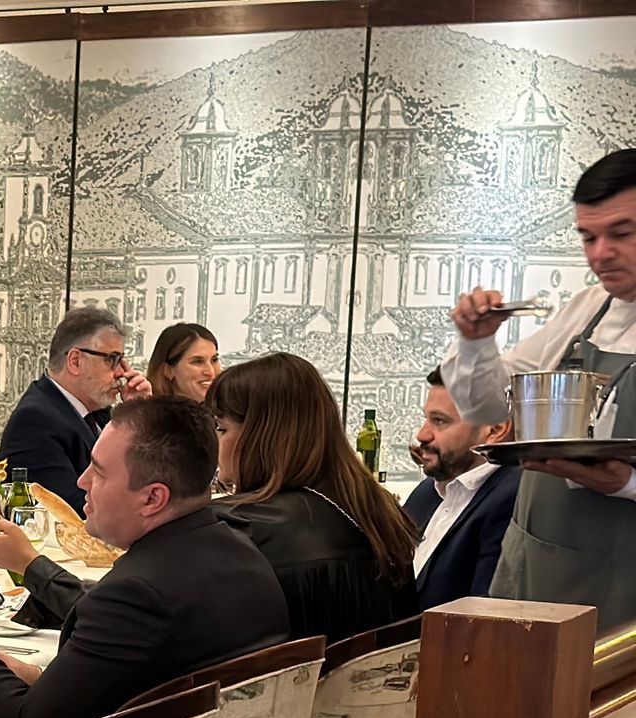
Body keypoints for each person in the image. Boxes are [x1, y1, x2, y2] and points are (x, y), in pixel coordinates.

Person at [0, 397, 290, 718]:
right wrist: (51, 681)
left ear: (153, 498)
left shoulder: (136, 592)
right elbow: (148, 679)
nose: (82, 482)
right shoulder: (244, 553)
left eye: (99, 471)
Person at [448, 148, 636, 630]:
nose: (599, 254)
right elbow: (485, 405)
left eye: (622, 233)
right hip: (536, 563)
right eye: (588, 237)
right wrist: (476, 344)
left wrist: (627, 484)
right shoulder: (589, 308)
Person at [207, 353, 419, 643]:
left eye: (221, 428)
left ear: (261, 435)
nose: (215, 439)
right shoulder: (378, 509)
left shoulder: (239, 527)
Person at [0, 307, 153, 509]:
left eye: (122, 360)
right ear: (75, 361)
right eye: (112, 359)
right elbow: (74, 512)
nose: (122, 372)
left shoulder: (97, 411)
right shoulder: (35, 421)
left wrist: (137, 414)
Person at [404, 368, 521, 610]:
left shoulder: (512, 499)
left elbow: (481, 617)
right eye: (426, 418)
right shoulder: (426, 493)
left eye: (440, 421)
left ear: (495, 430)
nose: (422, 434)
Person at [146, 323, 221, 403]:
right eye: (198, 361)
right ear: (168, 370)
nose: (211, 372)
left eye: (214, 360)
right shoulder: (151, 414)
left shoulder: (225, 411)